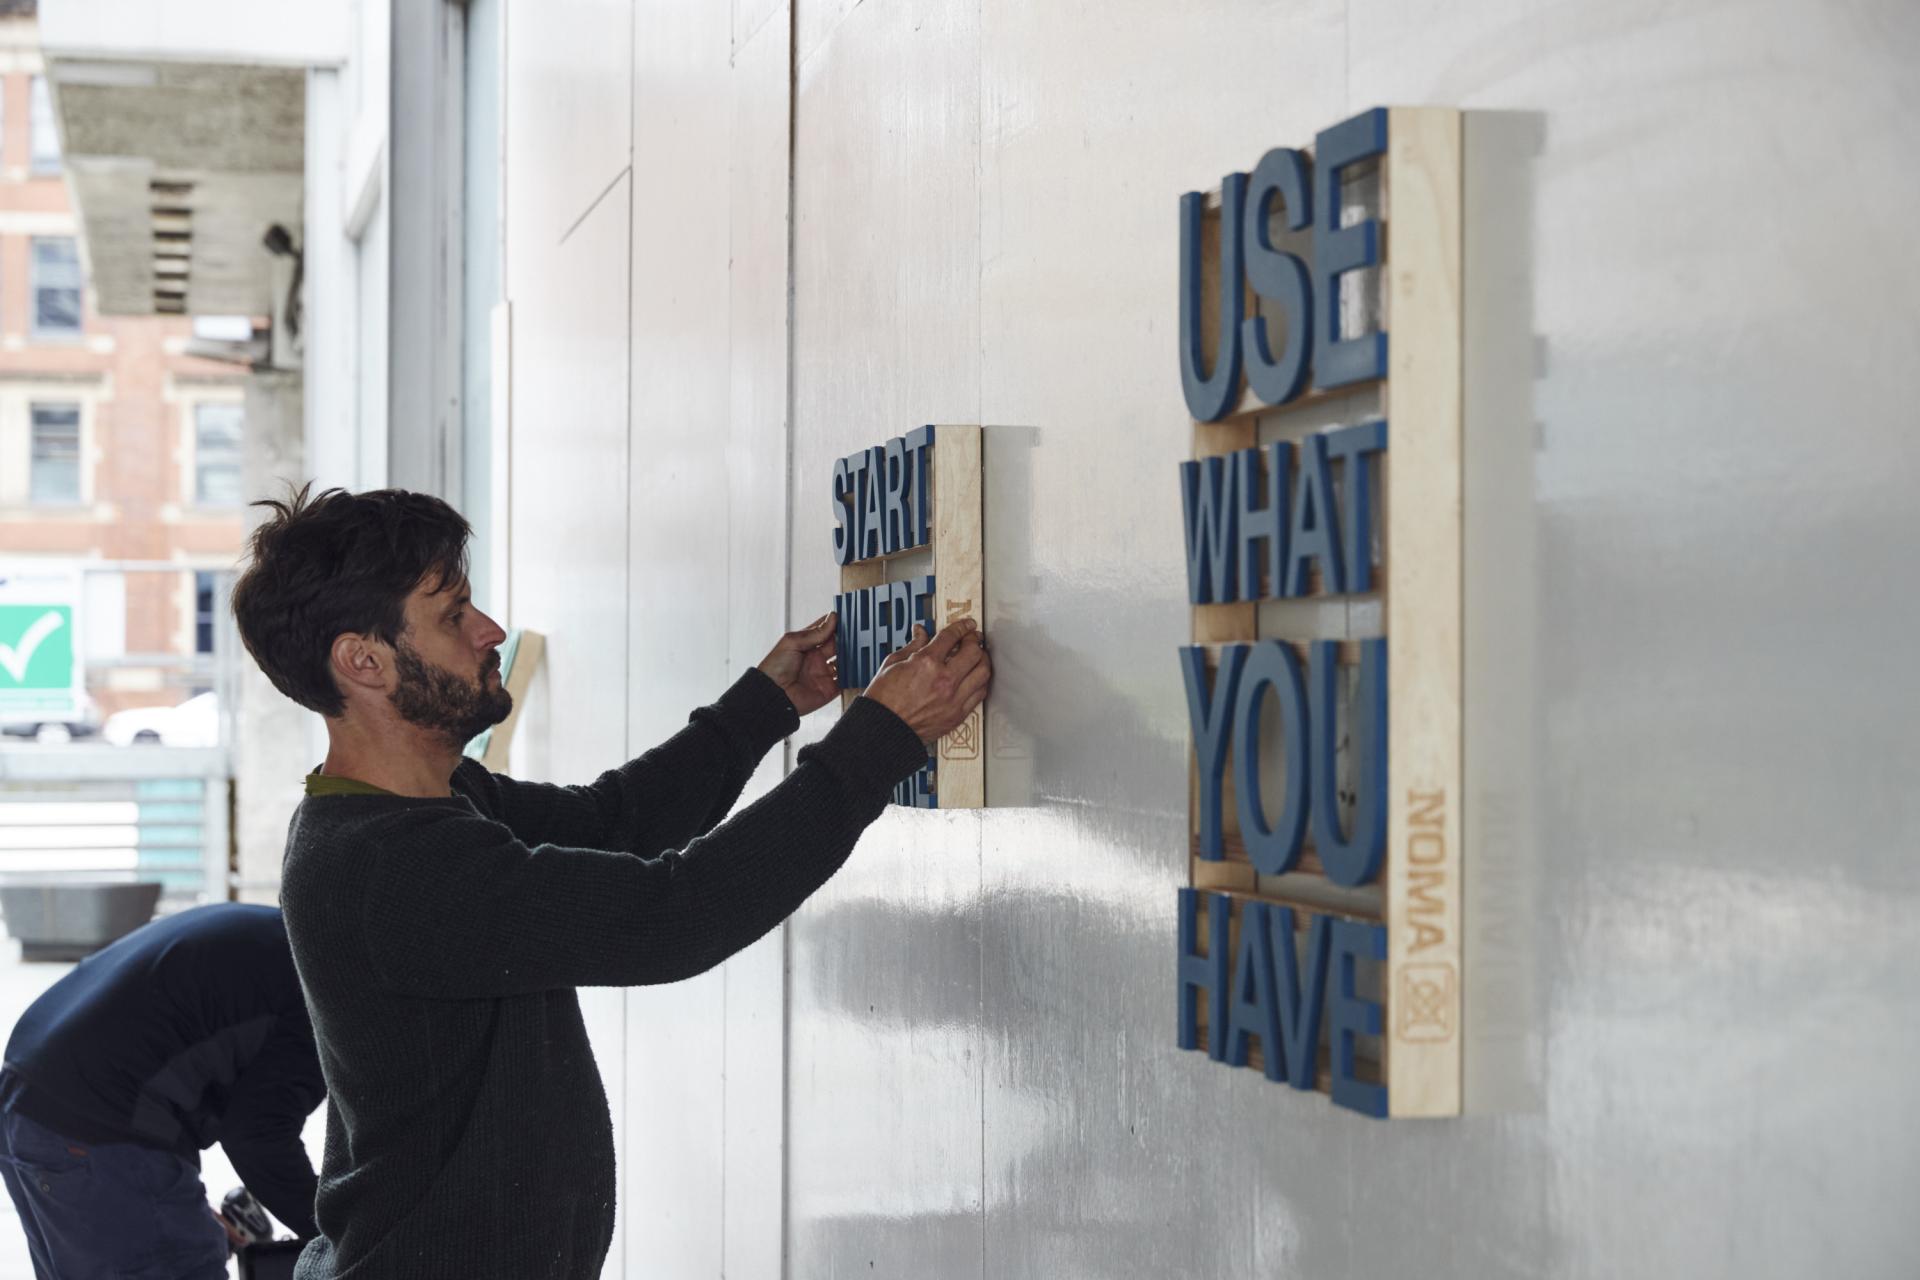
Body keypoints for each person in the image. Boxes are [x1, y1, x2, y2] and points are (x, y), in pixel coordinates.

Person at [229, 484, 989, 1279]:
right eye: (453, 616)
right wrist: (879, 741)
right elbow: (673, 916)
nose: (490, 631)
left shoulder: (433, 803)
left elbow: (614, 822)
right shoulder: (392, 869)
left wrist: (766, 704)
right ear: (364, 661)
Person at [0, 903, 324, 1277]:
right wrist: (340, 1236)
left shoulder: (274, 935)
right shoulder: (322, 993)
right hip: (98, 1129)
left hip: (28, 1104)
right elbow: (258, 1136)